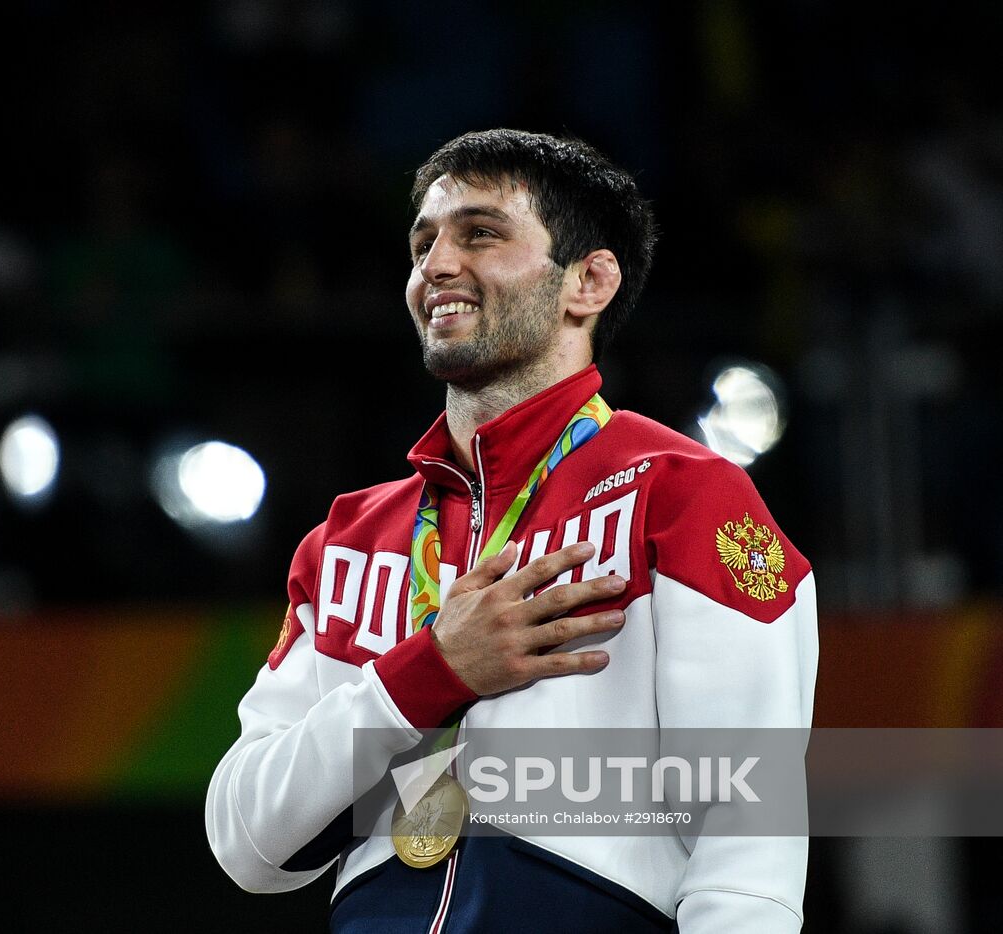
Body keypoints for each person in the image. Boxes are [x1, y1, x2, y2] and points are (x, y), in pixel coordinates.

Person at [206, 129, 818, 933]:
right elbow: (246, 839)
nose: (436, 267)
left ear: (589, 281)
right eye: (423, 243)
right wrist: (426, 675)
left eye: (481, 234)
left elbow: (748, 849)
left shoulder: (684, 494)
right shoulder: (350, 539)